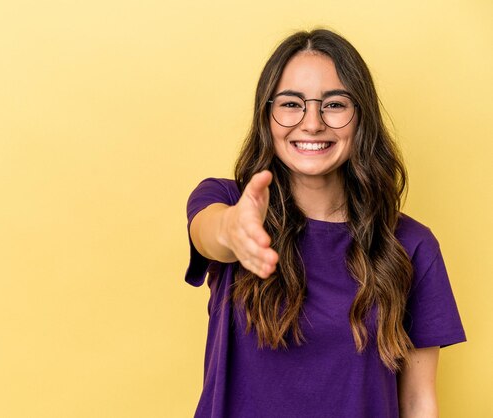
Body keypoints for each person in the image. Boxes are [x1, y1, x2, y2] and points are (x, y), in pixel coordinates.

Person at [184, 29, 466, 418]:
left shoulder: (411, 245)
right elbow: (209, 234)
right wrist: (234, 229)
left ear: (360, 117)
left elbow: (418, 402)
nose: (312, 123)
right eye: (291, 104)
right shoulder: (228, 201)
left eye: (334, 104)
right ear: (267, 116)